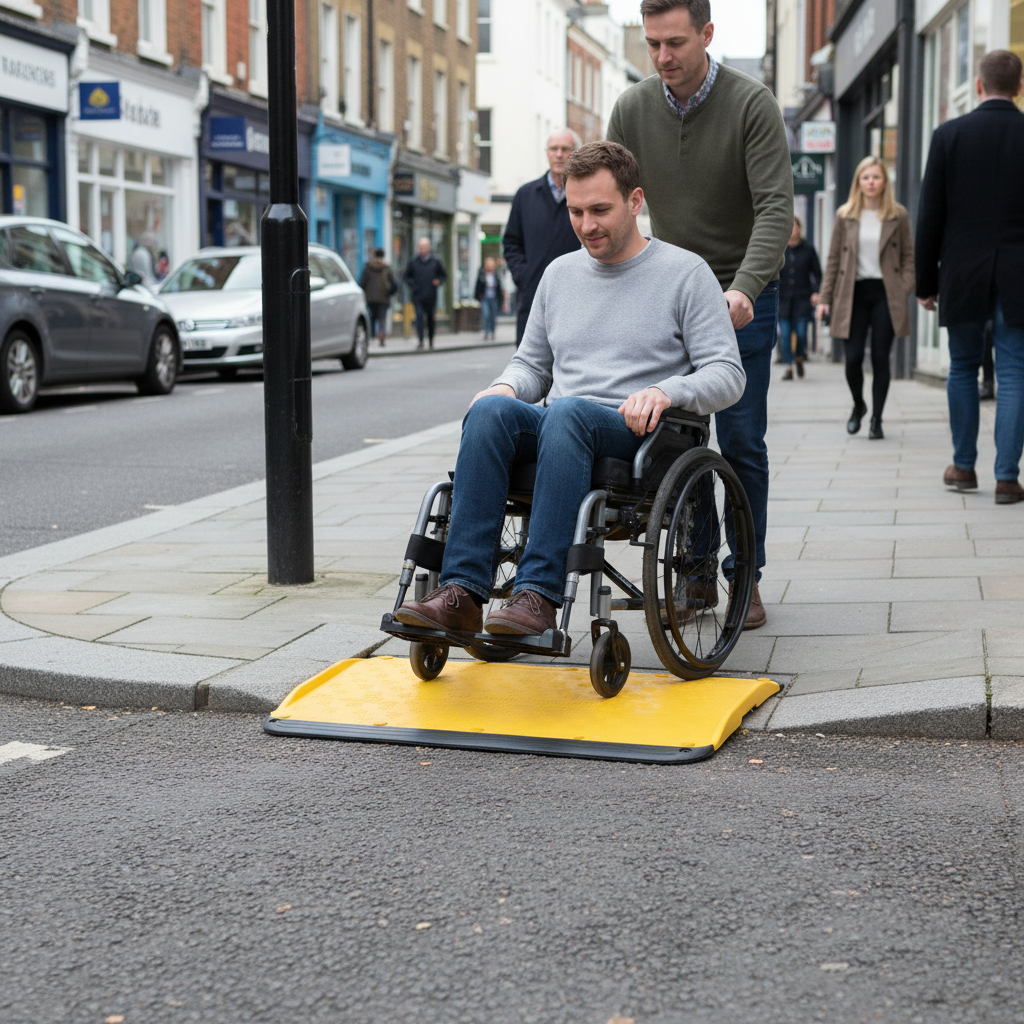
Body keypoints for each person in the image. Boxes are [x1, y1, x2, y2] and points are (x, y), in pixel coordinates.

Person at [394, 142, 744, 638]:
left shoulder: (685, 274)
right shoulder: (559, 275)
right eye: (576, 211)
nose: (586, 225)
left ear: (635, 201)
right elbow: (531, 364)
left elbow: (728, 373)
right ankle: (461, 592)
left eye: (600, 210)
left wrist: (667, 391)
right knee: (491, 413)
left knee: (568, 413)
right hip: (564, 424)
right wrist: (503, 386)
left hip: (638, 431)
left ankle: (537, 594)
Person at [607, 0, 792, 630]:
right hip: (674, 293)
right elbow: (612, 199)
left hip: (746, 294)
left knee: (740, 439)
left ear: (707, 34)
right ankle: (694, 577)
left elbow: (774, 210)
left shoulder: (751, 104)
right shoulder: (632, 108)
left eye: (676, 43)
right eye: (652, 44)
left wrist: (742, 289)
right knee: (677, 438)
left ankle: (746, 576)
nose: (663, 58)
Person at [916, 49, 1024, 504]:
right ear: (1018, 88)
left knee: (962, 367)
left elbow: (930, 216)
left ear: (978, 85)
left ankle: (963, 466)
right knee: (1015, 371)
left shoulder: (948, 135)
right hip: (1019, 272)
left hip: (962, 271)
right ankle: (1006, 477)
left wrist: (925, 281)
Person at [817, 156, 914, 440]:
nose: (871, 182)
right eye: (866, 177)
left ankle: (877, 420)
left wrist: (902, 287)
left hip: (885, 294)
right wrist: (825, 298)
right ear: (858, 182)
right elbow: (833, 259)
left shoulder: (898, 215)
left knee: (882, 357)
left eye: (876, 177)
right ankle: (859, 405)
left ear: (885, 181)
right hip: (852, 294)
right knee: (853, 358)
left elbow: (909, 257)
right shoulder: (845, 215)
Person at [502, 129, 583, 345]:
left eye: (565, 149)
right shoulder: (526, 194)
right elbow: (511, 242)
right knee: (530, 368)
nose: (559, 154)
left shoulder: (585, 195)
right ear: (546, 153)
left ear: (575, 152)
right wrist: (524, 276)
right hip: (533, 297)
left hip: (578, 298)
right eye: (553, 149)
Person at [778, 217, 821, 381]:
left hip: (803, 298)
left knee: (802, 333)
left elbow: (817, 273)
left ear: (800, 229)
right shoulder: (780, 249)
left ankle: (799, 357)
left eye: (795, 227)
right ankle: (789, 367)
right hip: (783, 299)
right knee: (786, 335)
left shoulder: (808, 249)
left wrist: (816, 292)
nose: (792, 230)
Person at [403, 238, 446, 350]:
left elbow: (443, 275)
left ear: (428, 248)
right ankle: (421, 340)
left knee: (431, 319)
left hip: (431, 295)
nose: (422, 250)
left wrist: (438, 281)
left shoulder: (435, 261)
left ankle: (431, 340)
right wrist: (412, 284)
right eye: (420, 247)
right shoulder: (413, 262)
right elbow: (406, 276)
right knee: (419, 317)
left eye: (424, 247)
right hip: (418, 295)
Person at [359, 248, 397, 346]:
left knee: (372, 317)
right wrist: (390, 293)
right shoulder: (386, 268)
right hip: (383, 297)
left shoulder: (368, 267)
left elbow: (362, 283)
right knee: (382, 318)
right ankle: (381, 335)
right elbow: (394, 284)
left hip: (370, 298)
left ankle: (371, 337)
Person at [474, 256, 504, 340]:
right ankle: (485, 332)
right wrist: (478, 296)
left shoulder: (496, 275)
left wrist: (501, 298)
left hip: (494, 298)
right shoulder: (482, 274)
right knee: (486, 314)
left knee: (493, 316)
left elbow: (499, 287)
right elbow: (478, 286)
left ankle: (492, 332)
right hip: (485, 298)